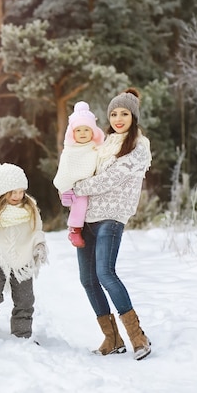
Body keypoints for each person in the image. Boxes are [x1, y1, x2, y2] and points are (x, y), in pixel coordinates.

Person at [62, 88, 152, 360]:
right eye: (113, 113)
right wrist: (67, 184)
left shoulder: (139, 147)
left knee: (105, 273)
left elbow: (109, 179)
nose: (118, 118)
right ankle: (111, 338)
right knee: (87, 279)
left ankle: (138, 337)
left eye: (124, 113)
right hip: (87, 218)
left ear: (133, 116)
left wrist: (76, 187)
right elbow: (79, 166)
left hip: (111, 218)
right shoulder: (103, 145)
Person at [0, 162, 47, 340]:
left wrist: (39, 245)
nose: (18, 196)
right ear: (3, 190)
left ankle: (22, 334)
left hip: (23, 261)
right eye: (13, 192)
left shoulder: (30, 207)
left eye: (21, 191)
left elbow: (36, 230)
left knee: (25, 300)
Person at [53, 101, 105, 248]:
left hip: (93, 186)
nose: (82, 133)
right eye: (78, 130)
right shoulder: (70, 149)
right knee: (80, 202)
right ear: (72, 133)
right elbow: (65, 169)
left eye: (86, 130)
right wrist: (65, 188)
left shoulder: (97, 148)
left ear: (93, 132)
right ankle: (74, 229)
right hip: (76, 186)